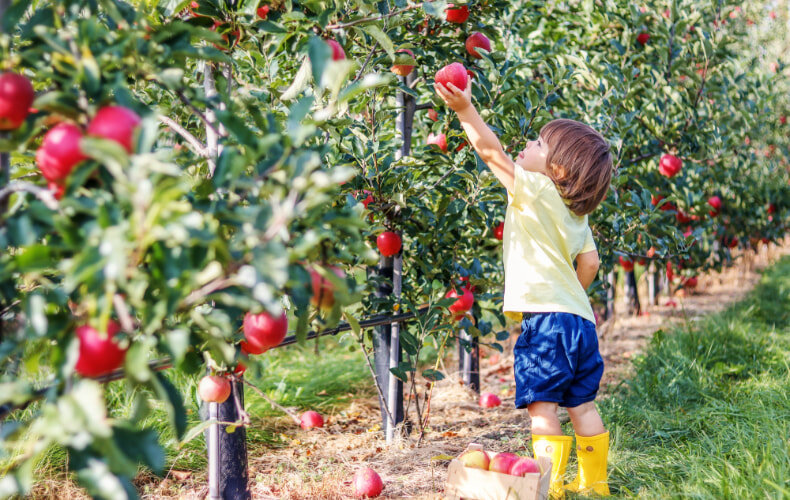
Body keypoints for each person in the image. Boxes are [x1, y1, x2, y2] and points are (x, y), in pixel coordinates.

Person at [435, 79, 614, 498]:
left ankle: (548, 488)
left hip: (547, 322)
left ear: (559, 170)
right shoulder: (577, 216)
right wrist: (572, 295)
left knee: (543, 409)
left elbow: (491, 152)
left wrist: (465, 110)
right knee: (582, 405)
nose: (527, 144)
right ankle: (597, 486)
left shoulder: (535, 190)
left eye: (537, 143)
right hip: (580, 322)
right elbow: (590, 262)